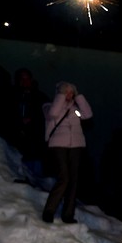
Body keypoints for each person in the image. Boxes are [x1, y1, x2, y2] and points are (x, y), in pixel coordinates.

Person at [41, 81, 94, 223]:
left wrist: (79, 97)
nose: (69, 95)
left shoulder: (75, 109)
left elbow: (87, 115)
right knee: (64, 177)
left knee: (73, 180)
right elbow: (53, 114)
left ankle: (68, 214)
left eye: (71, 92)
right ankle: (49, 211)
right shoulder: (49, 106)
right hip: (58, 145)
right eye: (66, 92)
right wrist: (61, 96)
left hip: (76, 146)